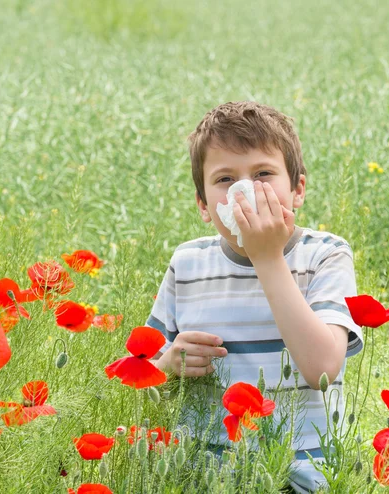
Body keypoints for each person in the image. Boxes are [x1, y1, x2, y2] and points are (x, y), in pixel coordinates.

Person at [146, 101, 363, 492]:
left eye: (263, 173)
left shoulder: (325, 256)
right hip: (205, 475)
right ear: (203, 205)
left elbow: (324, 370)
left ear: (297, 189)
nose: (245, 190)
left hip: (300, 475)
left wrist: (266, 256)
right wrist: (168, 364)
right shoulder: (188, 263)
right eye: (225, 179)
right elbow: (143, 377)